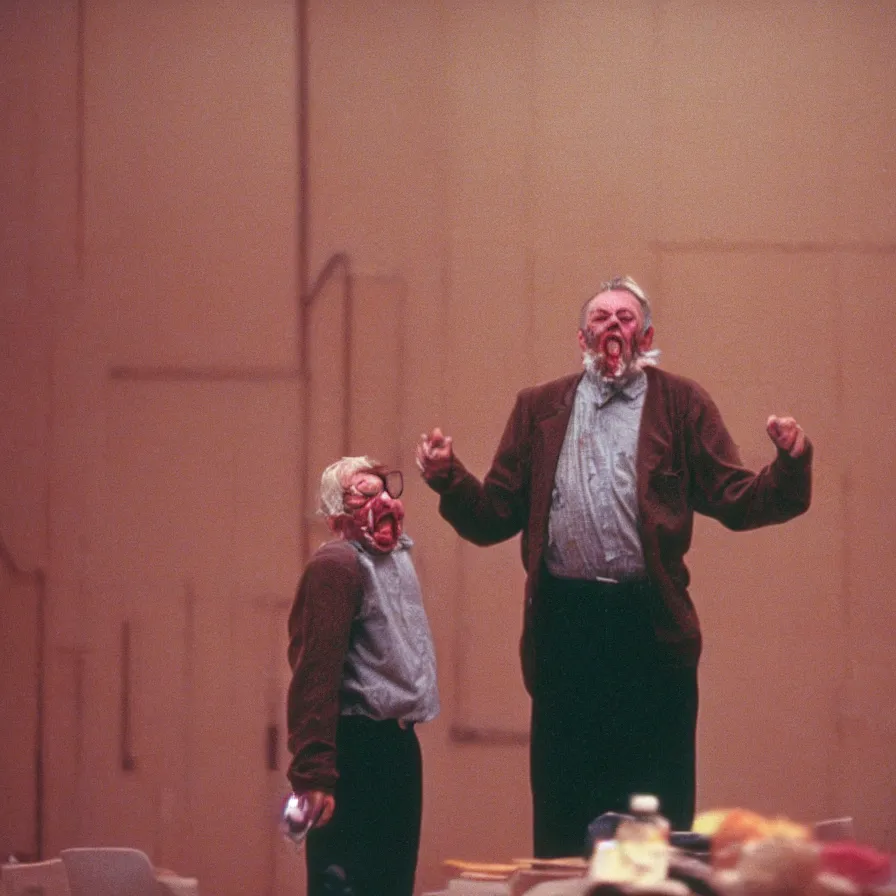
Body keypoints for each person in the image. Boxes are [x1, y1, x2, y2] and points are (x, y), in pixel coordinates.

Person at [415, 276, 811, 858]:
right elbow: (495, 513)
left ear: (646, 336)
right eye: (601, 318)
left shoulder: (681, 403)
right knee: (565, 800)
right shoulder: (539, 407)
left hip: (649, 626)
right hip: (566, 628)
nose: (612, 327)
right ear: (582, 337)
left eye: (625, 318)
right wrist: (448, 475)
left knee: (653, 804)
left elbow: (737, 497)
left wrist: (791, 462)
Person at [285, 456, 439, 896]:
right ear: (338, 517)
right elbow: (315, 674)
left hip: (397, 744)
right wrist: (314, 774)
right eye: (366, 494)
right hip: (356, 751)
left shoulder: (396, 560)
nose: (384, 502)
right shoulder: (336, 565)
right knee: (346, 881)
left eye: (385, 490)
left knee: (391, 883)